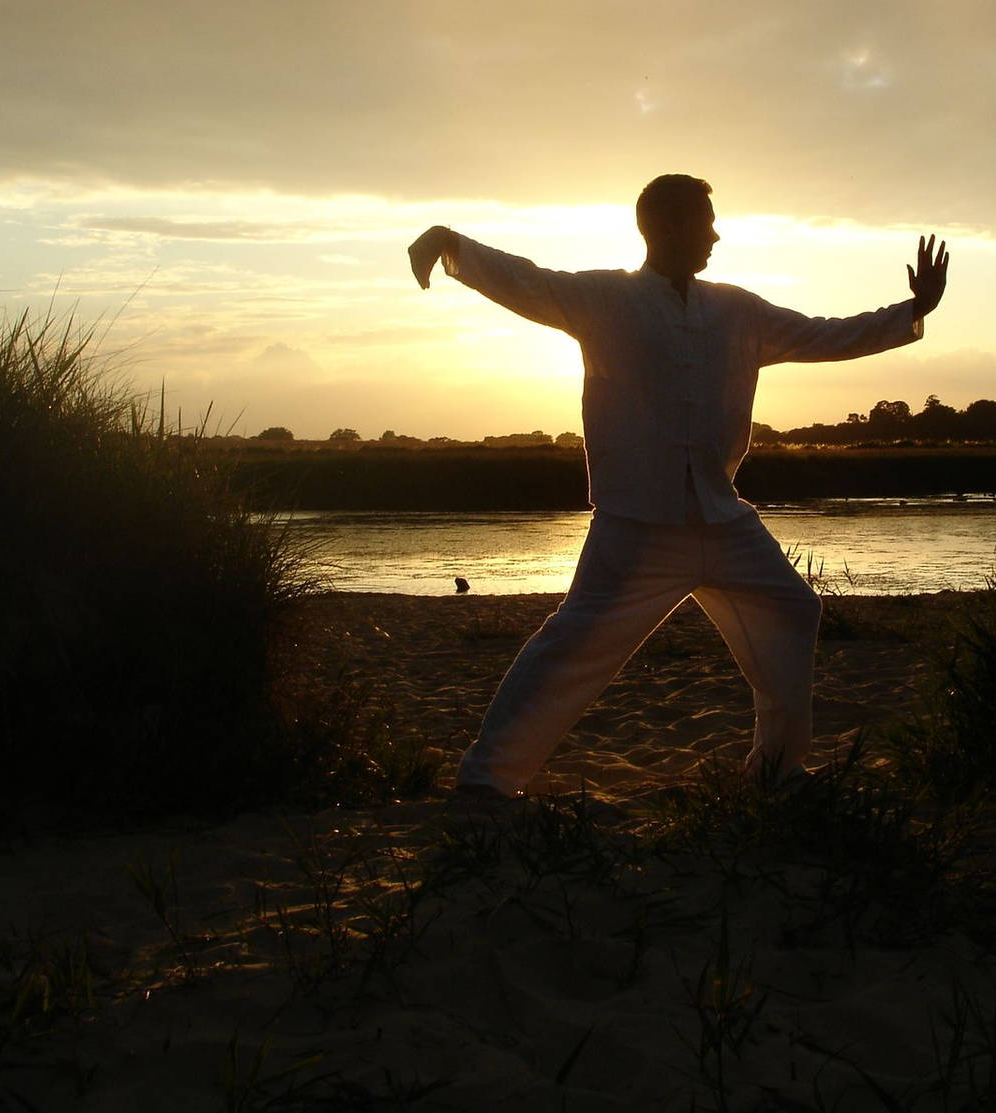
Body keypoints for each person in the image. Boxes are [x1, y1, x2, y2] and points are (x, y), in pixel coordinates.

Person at [407, 173, 950, 798]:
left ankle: (776, 772)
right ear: (665, 227)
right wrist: (449, 244)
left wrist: (912, 313)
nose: (716, 234)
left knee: (792, 609)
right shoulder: (604, 299)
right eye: (705, 221)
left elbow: (824, 334)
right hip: (636, 524)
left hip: (724, 519)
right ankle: (487, 782)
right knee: (574, 646)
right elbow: (527, 280)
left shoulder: (737, 310)